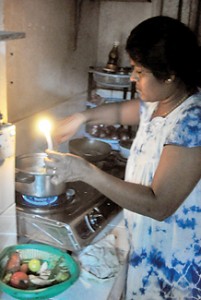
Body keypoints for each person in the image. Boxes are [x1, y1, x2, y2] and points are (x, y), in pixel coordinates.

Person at [45, 16, 201, 299]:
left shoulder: (192, 122)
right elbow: (122, 112)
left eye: (139, 72)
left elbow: (159, 205)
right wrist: (82, 115)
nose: (132, 77)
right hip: (147, 245)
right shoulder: (160, 102)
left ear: (169, 75)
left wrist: (86, 171)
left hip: (175, 262)